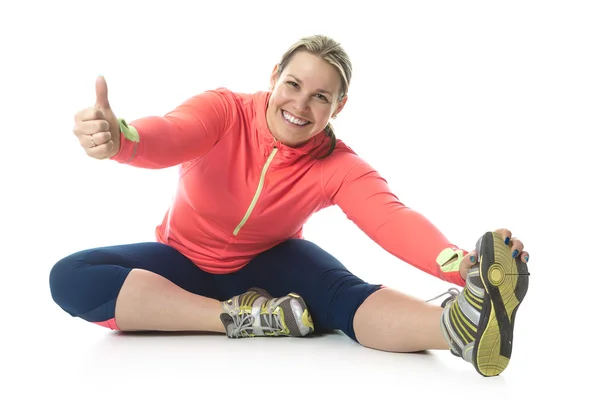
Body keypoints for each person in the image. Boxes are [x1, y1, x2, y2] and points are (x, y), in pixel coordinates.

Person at [50, 34, 530, 377]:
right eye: (294, 85)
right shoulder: (224, 110)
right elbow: (171, 134)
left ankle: (459, 328)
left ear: (338, 107)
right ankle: (239, 318)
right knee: (70, 276)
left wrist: (465, 266)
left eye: (321, 96)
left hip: (272, 261)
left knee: (343, 294)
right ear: (275, 77)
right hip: (181, 259)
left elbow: (391, 218)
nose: (301, 105)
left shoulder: (337, 165)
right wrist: (121, 139)